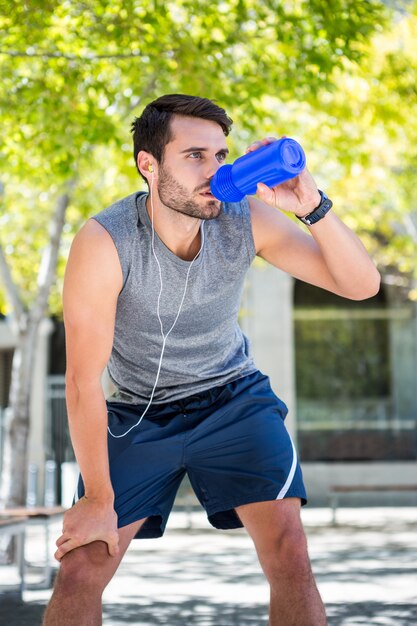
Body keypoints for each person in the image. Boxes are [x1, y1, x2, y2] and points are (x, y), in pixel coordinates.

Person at [43, 94, 380, 626]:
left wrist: (311, 205)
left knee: (290, 549)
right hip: (137, 415)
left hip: (233, 403)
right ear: (148, 165)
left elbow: (362, 285)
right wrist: (98, 498)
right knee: (83, 566)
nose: (215, 170)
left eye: (221, 155)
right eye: (195, 156)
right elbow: (83, 380)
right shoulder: (105, 241)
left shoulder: (245, 219)